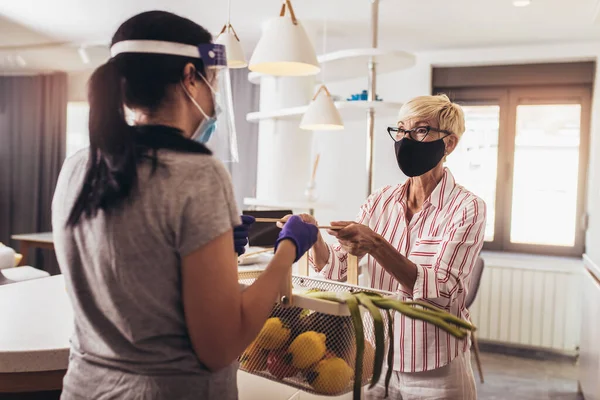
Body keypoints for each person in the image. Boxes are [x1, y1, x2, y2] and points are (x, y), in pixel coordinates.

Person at [51, 11, 318, 400]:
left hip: (85, 388)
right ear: (190, 76)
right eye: (212, 81)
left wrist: (213, 248)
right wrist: (288, 249)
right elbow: (221, 346)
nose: (213, 97)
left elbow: (132, 271)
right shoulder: (197, 174)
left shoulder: (78, 165)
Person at [281, 94, 486, 399]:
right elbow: (337, 269)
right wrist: (315, 240)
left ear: (450, 143)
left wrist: (377, 244)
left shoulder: (467, 208)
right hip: (374, 358)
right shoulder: (380, 200)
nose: (405, 140)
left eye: (419, 130)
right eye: (401, 130)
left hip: (433, 366)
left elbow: (442, 291)